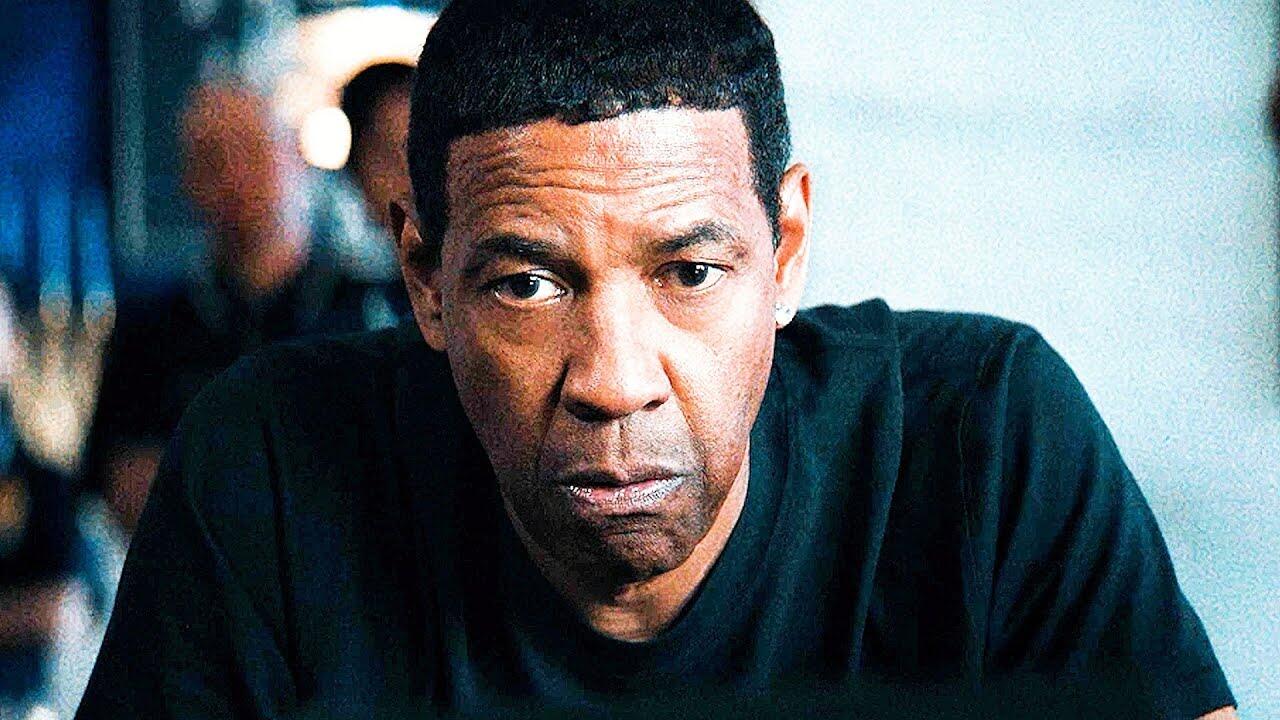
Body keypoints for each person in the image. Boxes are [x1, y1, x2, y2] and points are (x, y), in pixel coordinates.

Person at [76, 2, 1236, 718]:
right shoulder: (274, 471)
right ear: (424, 278)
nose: (613, 379)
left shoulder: (976, 445)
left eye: (689, 272)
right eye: (526, 284)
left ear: (784, 250)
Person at [81, 80, 403, 536]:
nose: (233, 177)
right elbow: (126, 488)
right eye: (212, 159)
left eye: (251, 152)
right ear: (187, 181)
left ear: (293, 155)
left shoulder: (372, 312)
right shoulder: (150, 333)